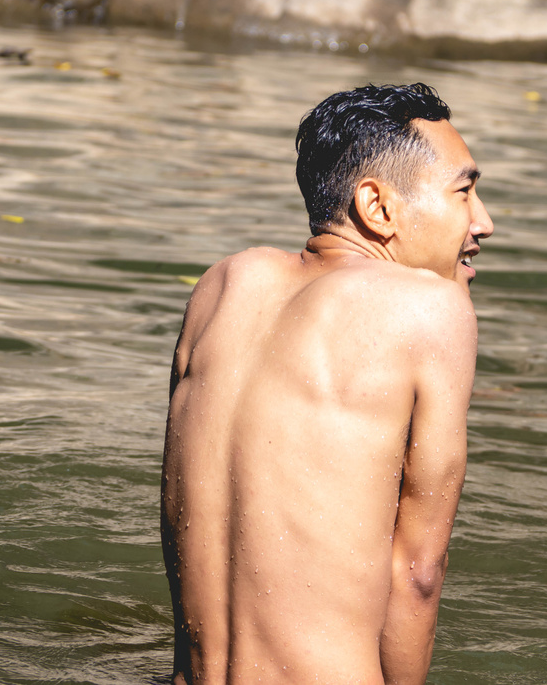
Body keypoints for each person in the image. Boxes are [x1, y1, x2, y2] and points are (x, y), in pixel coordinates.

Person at [161, 82, 494, 684]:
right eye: (464, 192)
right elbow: (418, 574)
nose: (484, 222)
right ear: (378, 207)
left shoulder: (223, 286)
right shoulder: (430, 307)